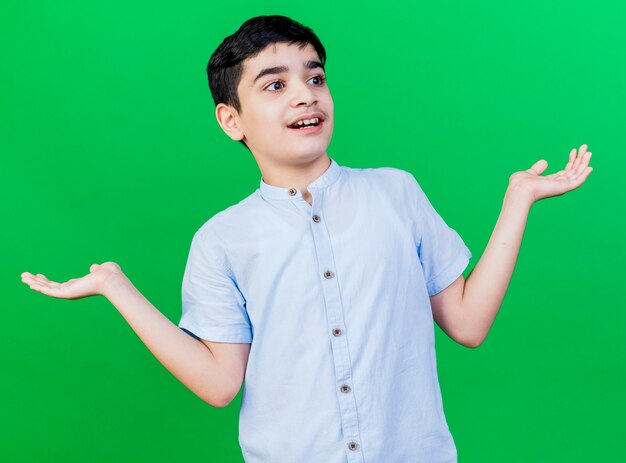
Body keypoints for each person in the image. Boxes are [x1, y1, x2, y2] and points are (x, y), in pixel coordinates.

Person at [21, 14, 593, 463]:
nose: (305, 95)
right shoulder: (221, 240)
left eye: (315, 78)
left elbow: (468, 324)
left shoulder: (396, 193)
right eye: (275, 84)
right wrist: (117, 288)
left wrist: (517, 199)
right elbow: (220, 383)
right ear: (232, 120)